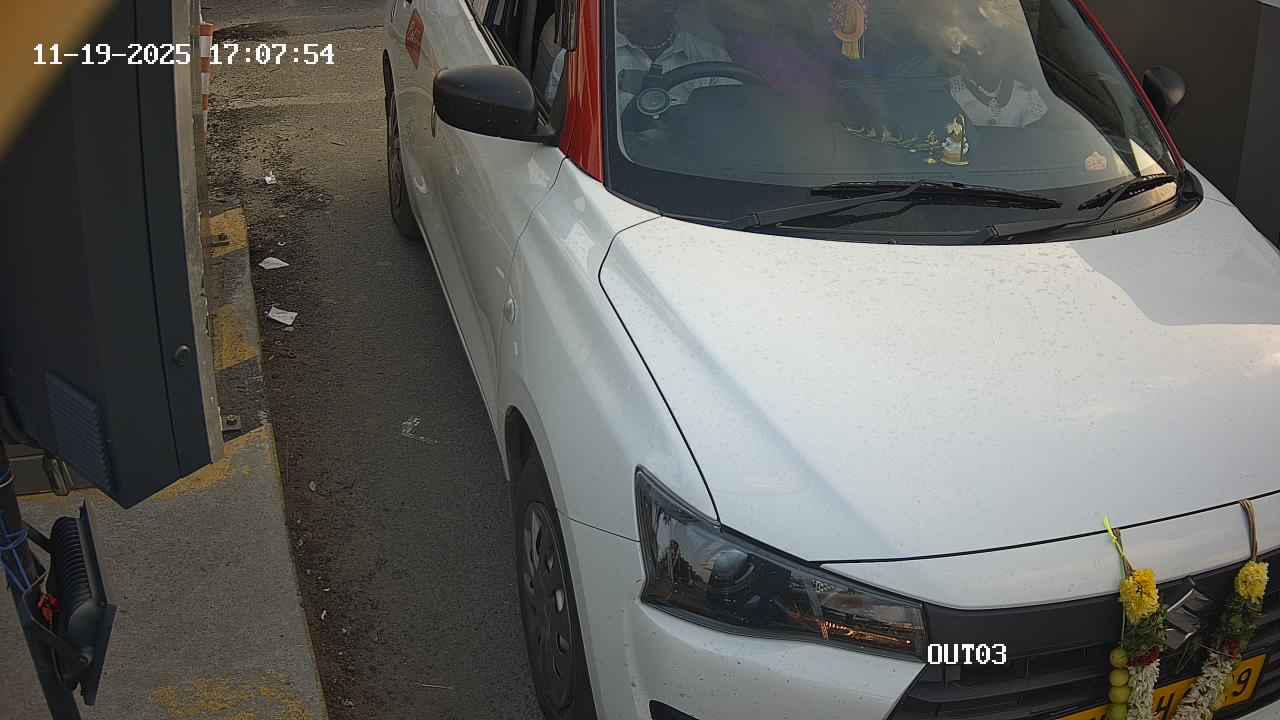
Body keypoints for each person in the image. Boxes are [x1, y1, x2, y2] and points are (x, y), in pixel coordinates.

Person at [544, 0, 733, 112]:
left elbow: (726, 125)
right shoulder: (581, 59)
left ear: (668, 4)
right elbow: (559, 137)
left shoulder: (712, 60)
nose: (619, 4)